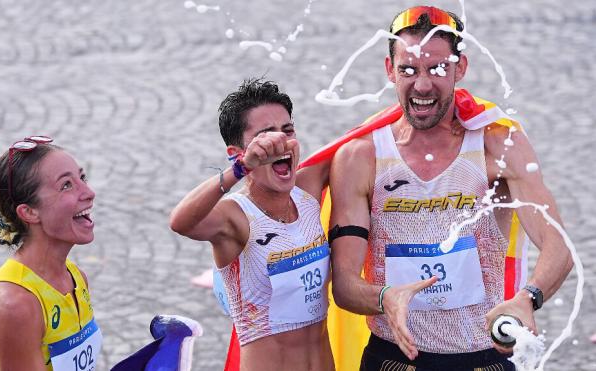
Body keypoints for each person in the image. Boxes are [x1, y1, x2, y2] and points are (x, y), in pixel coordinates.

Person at [327, 6, 574, 370]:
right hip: (394, 360)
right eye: (408, 69)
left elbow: (560, 246)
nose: (423, 84)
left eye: (438, 68)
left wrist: (528, 297)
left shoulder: (498, 145)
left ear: (461, 67)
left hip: (485, 358)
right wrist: (384, 298)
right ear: (389, 70)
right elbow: (345, 286)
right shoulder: (361, 158)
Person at [170, 78, 334, 371]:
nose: (279, 143)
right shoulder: (235, 217)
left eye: (287, 130)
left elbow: (363, 140)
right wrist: (240, 169)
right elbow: (180, 221)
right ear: (237, 152)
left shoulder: (308, 187)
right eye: (266, 136)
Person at [0, 136, 102, 371]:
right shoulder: (14, 305)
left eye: (82, 178)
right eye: (66, 185)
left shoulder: (76, 277)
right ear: (29, 212)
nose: (89, 192)